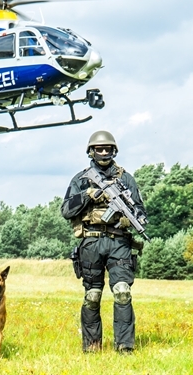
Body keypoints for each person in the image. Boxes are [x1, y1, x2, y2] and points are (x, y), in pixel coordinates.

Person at [61, 131, 146, 353]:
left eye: (108, 149)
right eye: (99, 149)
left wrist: (130, 218)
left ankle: (125, 347)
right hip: (91, 241)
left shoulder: (126, 178)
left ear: (114, 150)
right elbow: (66, 210)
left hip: (119, 242)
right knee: (92, 295)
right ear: (91, 151)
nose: (104, 152)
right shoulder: (81, 179)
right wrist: (88, 195)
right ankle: (91, 347)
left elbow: (140, 210)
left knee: (122, 291)